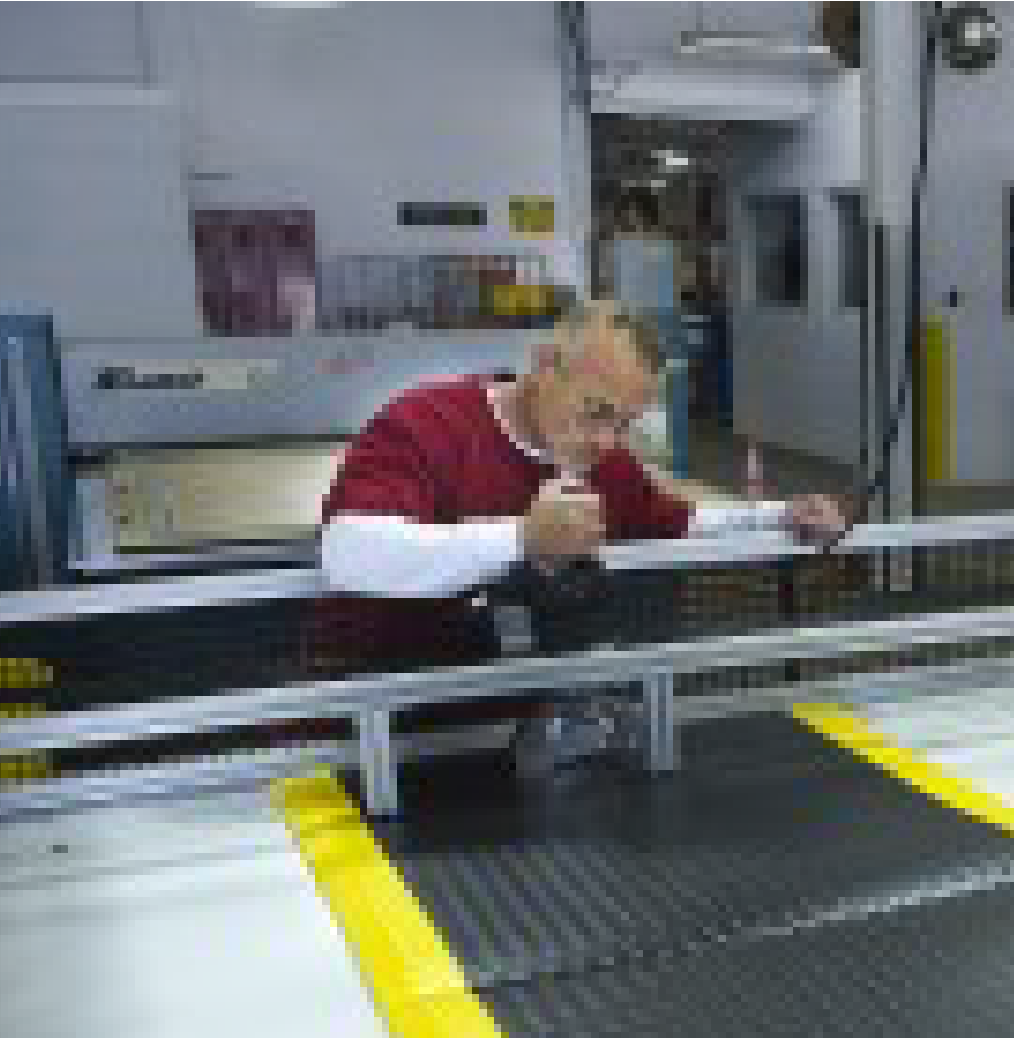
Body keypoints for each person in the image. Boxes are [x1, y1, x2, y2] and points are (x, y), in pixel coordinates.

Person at [305, 299, 847, 773]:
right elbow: (351, 553)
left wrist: (779, 517)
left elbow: (678, 522)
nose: (608, 441)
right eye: (597, 413)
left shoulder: (601, 462)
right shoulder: (425, 424)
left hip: (500, 737)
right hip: (376, 734)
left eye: (625, 423)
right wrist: (522, 538)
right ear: (545, 367)